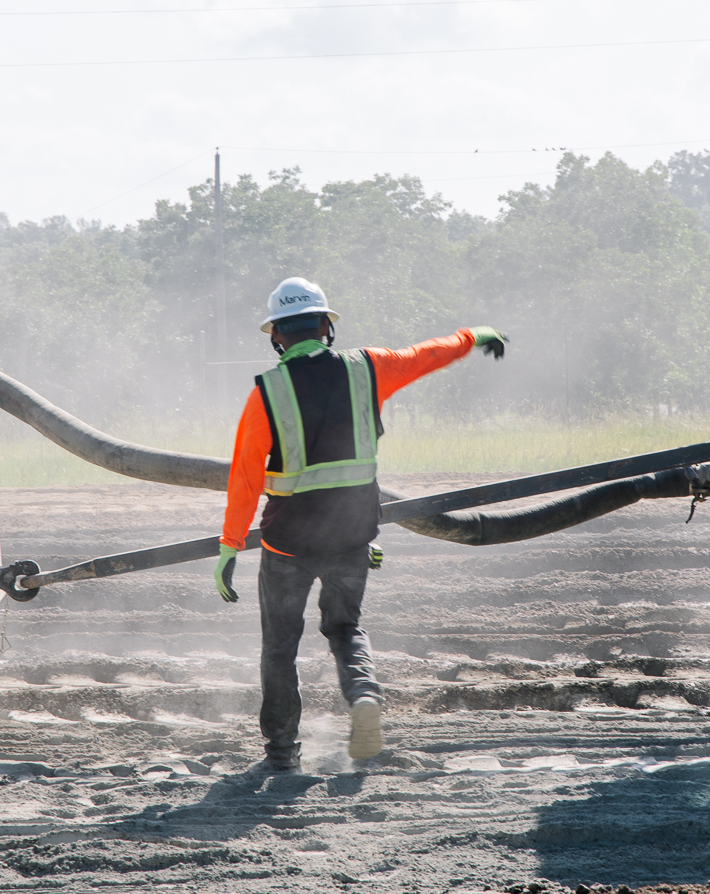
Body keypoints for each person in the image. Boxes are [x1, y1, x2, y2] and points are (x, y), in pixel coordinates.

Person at [214, 276, 507, 772]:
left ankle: (282, 754)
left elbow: (244, 478)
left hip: (287, 545)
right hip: (353, 537)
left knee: (280, 648)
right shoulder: (367, 369)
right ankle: (364, 696)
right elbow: (426, 354)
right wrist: (472, 335)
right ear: (326, 326)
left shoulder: (267, 393)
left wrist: (229, 546)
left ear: (276, 335)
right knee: (346, 628)